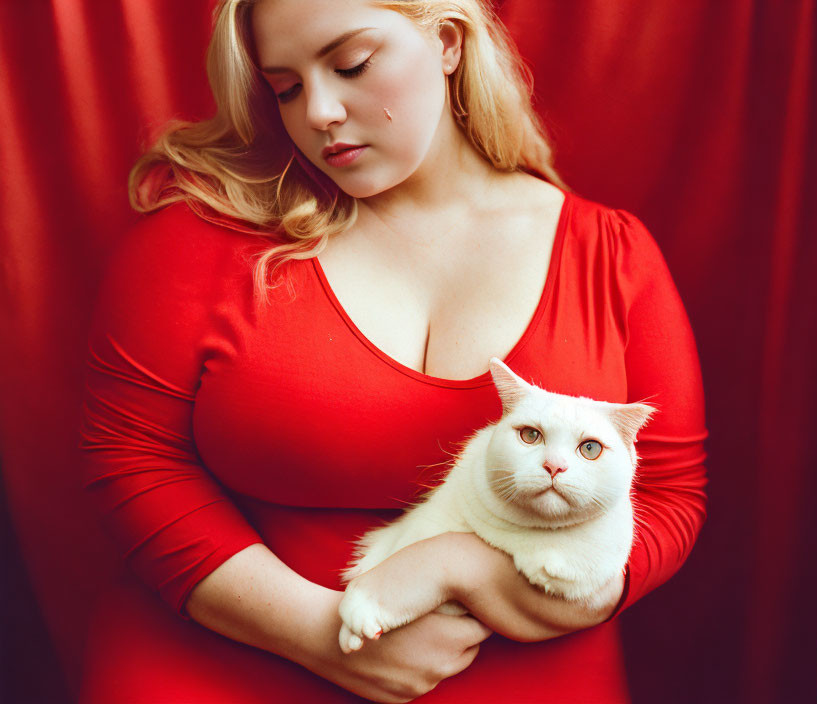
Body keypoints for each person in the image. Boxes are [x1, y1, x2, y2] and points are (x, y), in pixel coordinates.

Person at [78, 0, 709, 702]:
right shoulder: (193, 240)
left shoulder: (612, 254)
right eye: (284, 87)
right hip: (218, 657)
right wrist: (320, 633)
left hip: (525, 667)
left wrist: (472, 570)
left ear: (446, 42)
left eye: (351, 65)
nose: (317, 111)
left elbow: (671, 495)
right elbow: (132, 458)